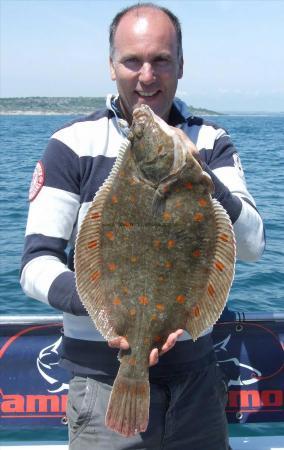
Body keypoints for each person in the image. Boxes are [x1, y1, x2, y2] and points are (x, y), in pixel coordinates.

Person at [20, 3, 265, 449]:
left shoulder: (210, 143)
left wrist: (202, 179)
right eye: (132, 60)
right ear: (111, 66)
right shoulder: (70, 145)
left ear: (181, 65)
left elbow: (251, 245)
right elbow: (35, 264)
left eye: (161, 60)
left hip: (197, 385)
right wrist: (100, 304)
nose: (147, 76)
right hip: (102, 385)